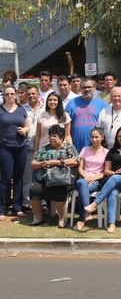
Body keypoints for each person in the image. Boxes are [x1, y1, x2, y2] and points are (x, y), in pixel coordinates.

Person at [84, 127, 121, 233]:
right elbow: (106, 171)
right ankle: (111, 223)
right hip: (115, 181)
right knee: (112, 192)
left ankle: (95, 203)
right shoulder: (112, 151)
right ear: (116, 137)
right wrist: (116, 173)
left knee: (115, 178)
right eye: (120, 136)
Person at [29, 124, 79, 227]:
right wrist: (43, 163)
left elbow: (75, 161)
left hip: (62, 179)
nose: (52, 138)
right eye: (50, 135)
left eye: (54, 136)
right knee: (34, 190)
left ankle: (61, 219)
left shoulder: (68, 147)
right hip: (44, 179)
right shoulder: (44, 148)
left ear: (61, 138)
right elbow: (33, 164)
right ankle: (38, 217)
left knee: (60, 190)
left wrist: (57, 162)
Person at [0, 85, 30, 219]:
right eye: (7, 94)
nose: (10, 96)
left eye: (12, 93)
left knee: (19, 178)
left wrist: (25, 130)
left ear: (17, 94)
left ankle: (17, 207)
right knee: (5, 178)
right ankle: (2, 208)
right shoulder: (0, 109)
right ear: (3, 96)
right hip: (5, 147)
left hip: (21, 146)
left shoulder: (21, 109)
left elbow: (27, 125)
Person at [72, 128, 109, 231]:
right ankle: (87, 211)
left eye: (96, 137)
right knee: (80, 182)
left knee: (82, 188)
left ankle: (81, 219)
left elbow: (105, 172)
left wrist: (93, 178)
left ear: (102, 137)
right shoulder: (85, 150)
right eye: (92, 137)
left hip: (97, 180)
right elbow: (80, 168)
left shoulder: (106, 152)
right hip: (84, 178)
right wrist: (86, 177)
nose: (94, 139)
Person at [65, 78, 108, 152]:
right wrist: (70, 148)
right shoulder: (71, 103)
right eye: (84, 87)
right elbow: (65, 127)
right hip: (75, 148)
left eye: (89, 87)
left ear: (94, 88)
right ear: (80, 89)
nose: (87, 89)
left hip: (96, 149)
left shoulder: (102, 104)